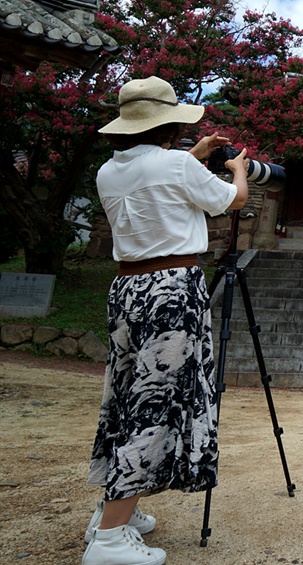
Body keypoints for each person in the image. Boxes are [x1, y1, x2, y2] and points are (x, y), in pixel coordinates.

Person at [82, 76, 248, 565]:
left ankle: (113, 511)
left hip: (127, 288)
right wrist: (238, 170)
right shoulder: (175, 163)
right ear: (168, 123)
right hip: (172, 289)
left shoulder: (108, 171)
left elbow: (156, 177)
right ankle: (110, 540)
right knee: (155, 403)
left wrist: (194, 153)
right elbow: (229, 201)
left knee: (128, 394)